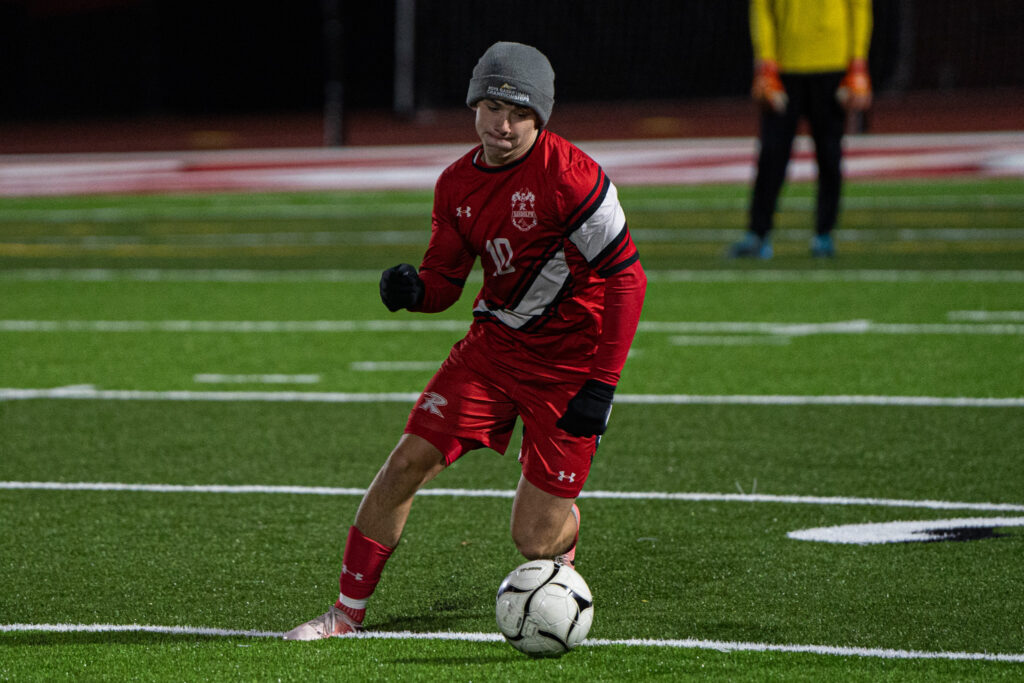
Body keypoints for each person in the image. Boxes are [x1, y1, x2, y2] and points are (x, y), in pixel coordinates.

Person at [283, 41, 647, 640]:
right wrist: (412, 290)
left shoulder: (573, 177)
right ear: (474, 104)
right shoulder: (455, 184)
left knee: (532, 537)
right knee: (404, 464)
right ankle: (344, 615)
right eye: (491, 108)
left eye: (518, 113)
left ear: (540, 117)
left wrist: (602, 386)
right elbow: (446, 282)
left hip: (569, 367)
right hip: (492, 350)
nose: (501, 125)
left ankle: (565, 536)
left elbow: (626, 279)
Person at [728, 0, 873, 259]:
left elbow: (859, 7)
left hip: (833, 63)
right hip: (784, 66)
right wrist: (766, 62)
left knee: (830, 154)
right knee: (772, 154)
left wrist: (858, 62)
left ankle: (824, 234)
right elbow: (761, 9)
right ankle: (758, 234)